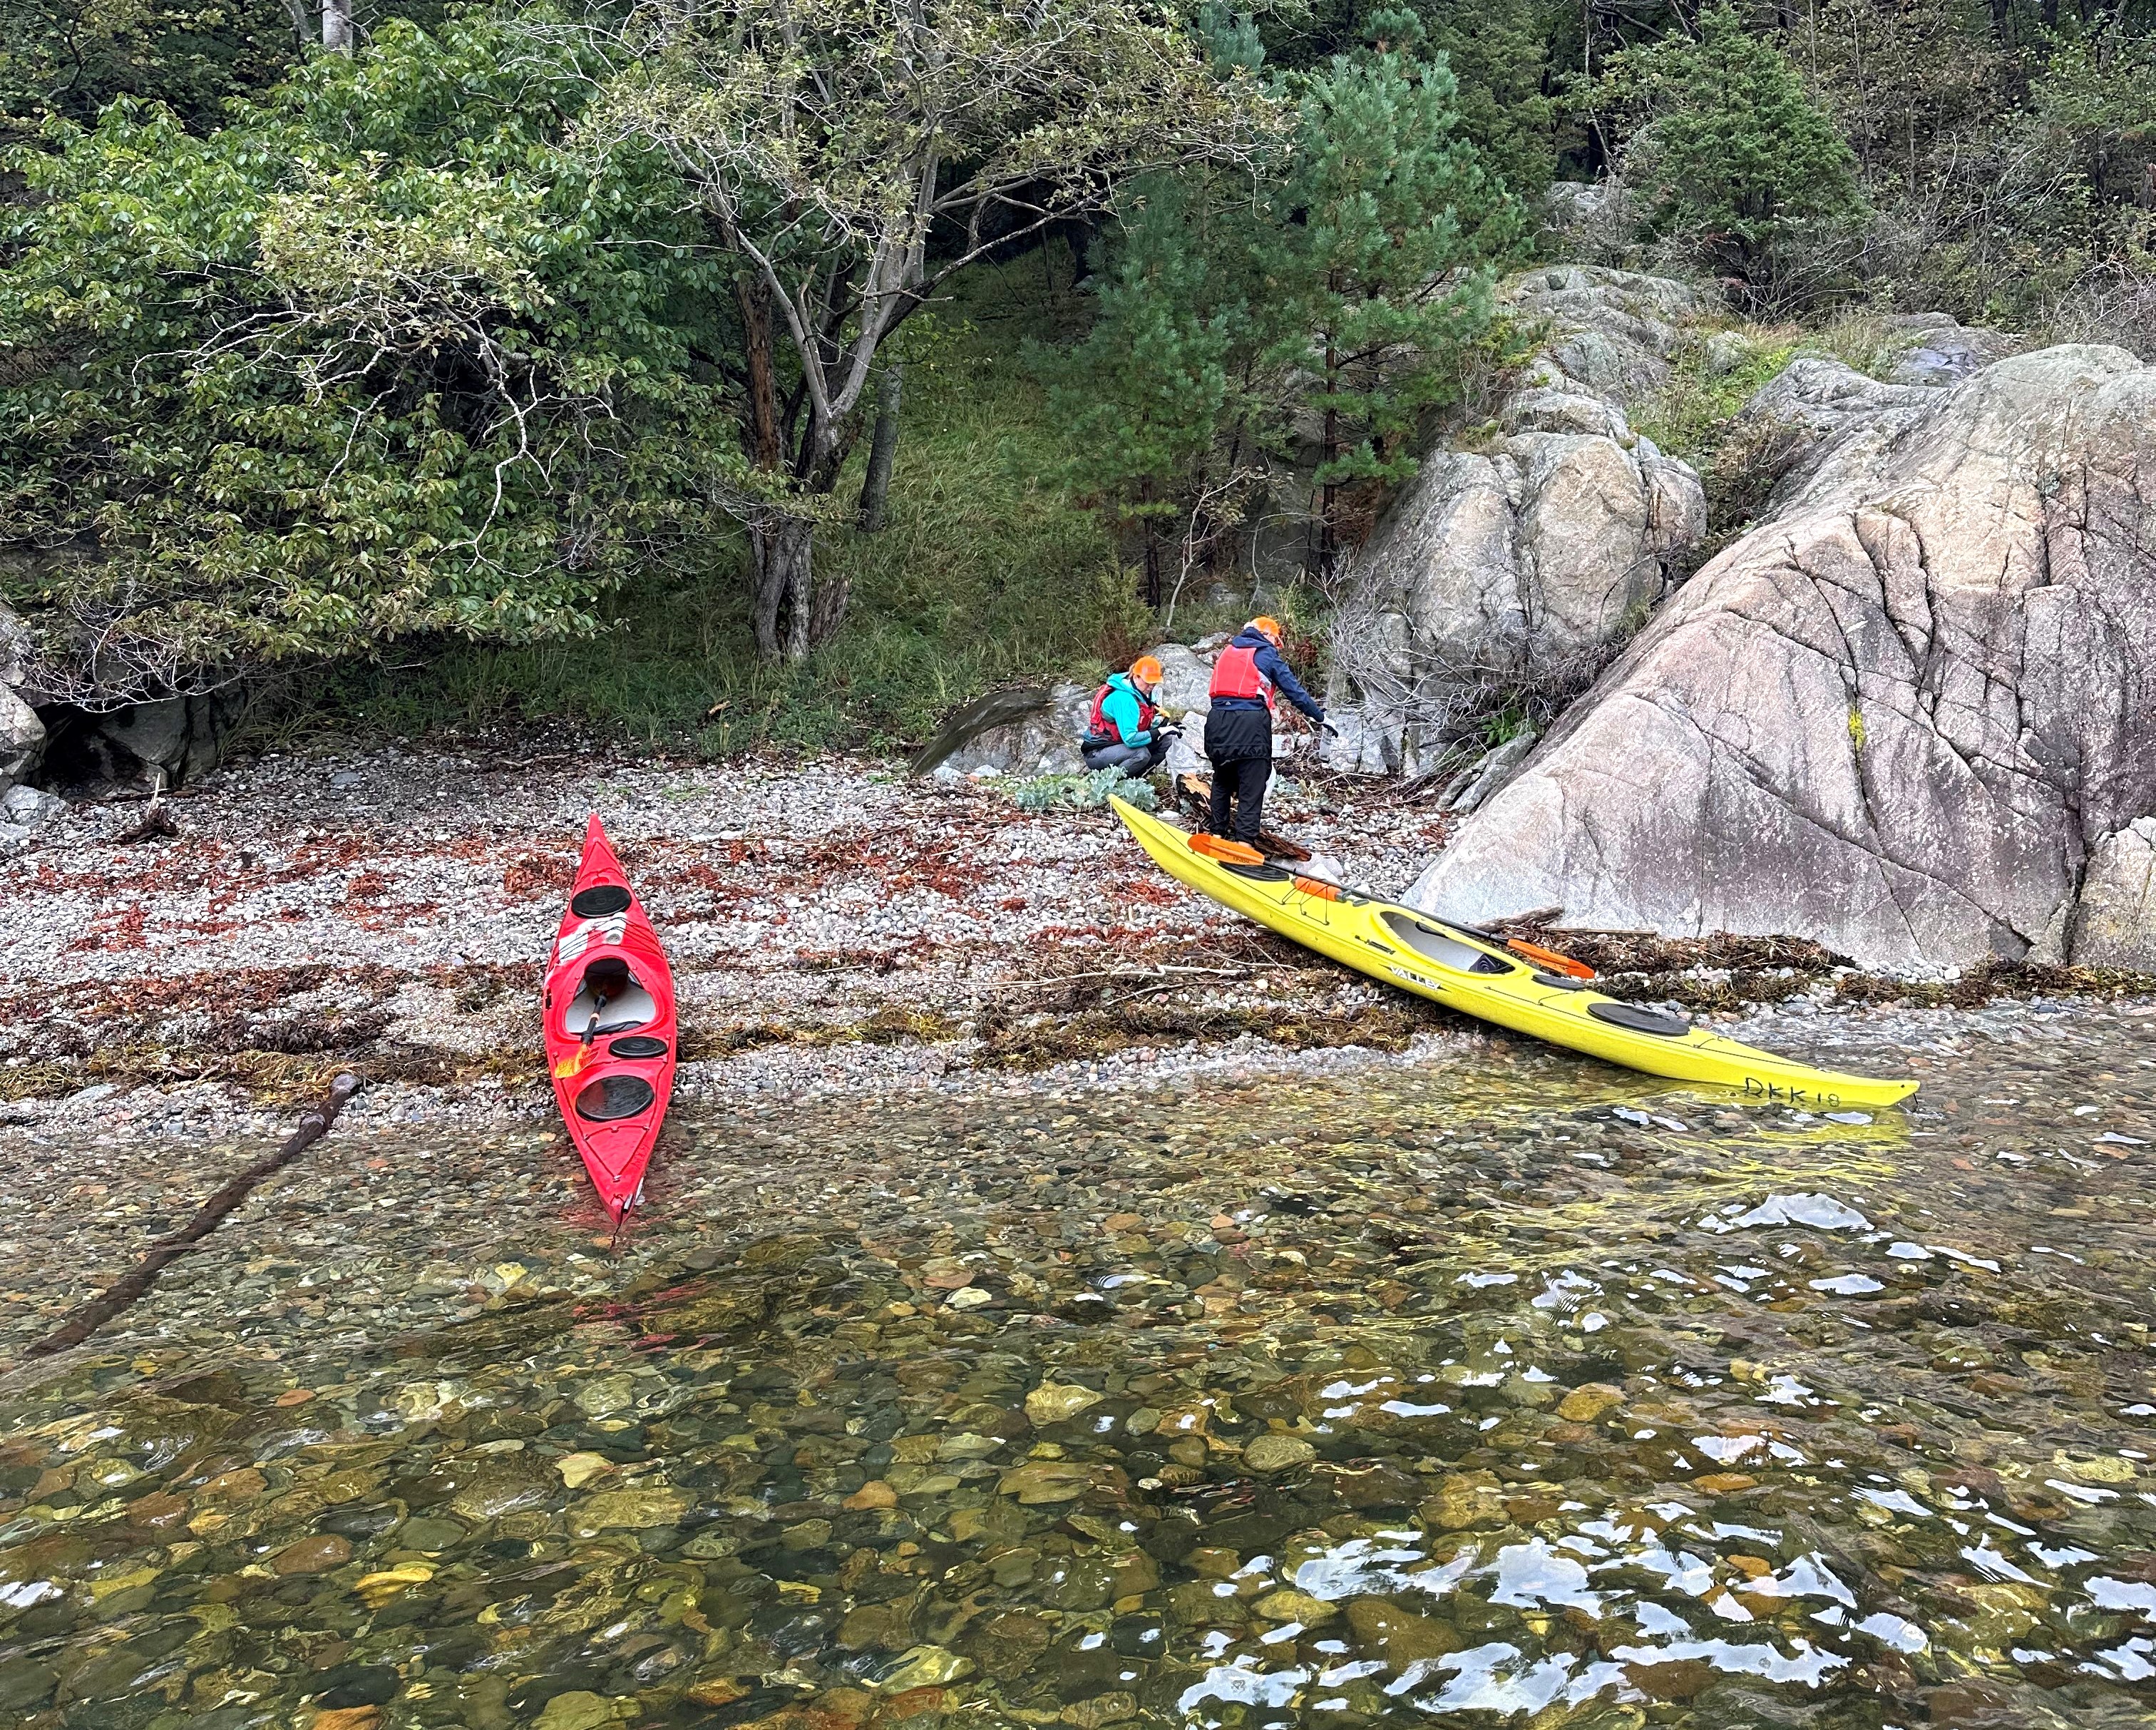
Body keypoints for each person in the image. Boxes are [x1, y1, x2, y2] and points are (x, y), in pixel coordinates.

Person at [1203, 616, 1323, 843]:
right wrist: (1320, 716)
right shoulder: (1266, 653)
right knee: (1253, 781)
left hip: (1217, 721)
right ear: (1267, 634)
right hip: (1250, 722)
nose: (1275, 646)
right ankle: (1244, 843)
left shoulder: (1227, 652)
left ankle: (1217, 834)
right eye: (1275, 641)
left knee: (1222, 778)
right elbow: (1295, 691)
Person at [1082, 655, 1173, 776]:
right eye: (1148, 682)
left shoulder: (1143, 694)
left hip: (1119, 745)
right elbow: (1130, 740)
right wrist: (1159, 731)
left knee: (1167, 740)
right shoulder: (1124, 699)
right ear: (1136, 677)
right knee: (1141, 754)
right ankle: (1113, 783)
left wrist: (1165, 727)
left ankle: (1138, 776)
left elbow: (1143, 722)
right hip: (1098, 752)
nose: (1151, 686)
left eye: (1154, 682)